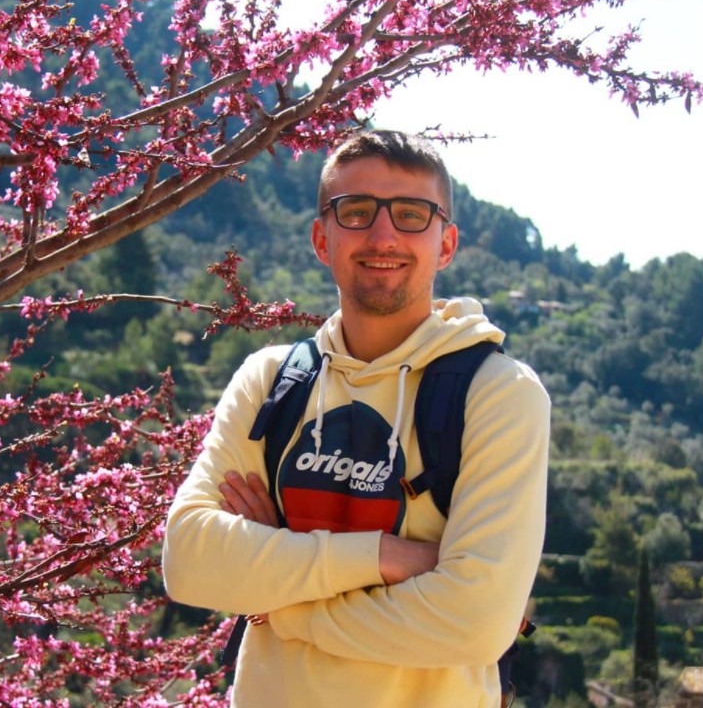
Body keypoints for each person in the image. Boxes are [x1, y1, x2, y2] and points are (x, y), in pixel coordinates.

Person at [161, 129, 550, 708]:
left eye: (412, 214)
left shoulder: (498, 394)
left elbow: (474, 622)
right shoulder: (271, 381)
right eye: (357, 211)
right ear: (323, 238)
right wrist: (388, 557)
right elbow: (189, 562)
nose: (383, 235)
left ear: (446, 244)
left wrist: (281, 599)